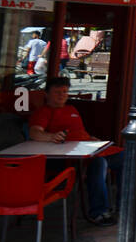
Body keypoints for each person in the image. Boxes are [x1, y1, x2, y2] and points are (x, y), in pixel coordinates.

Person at [28, 76, 121, 226]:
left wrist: (91, 138)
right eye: (57, 92)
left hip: (90, 148)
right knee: (98, 164)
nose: (62, 95)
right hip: (71, 158)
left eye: (65, 91)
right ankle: (99, 212)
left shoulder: (71, 109)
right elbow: (34, 132)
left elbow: (79, 132)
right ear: (47, 94)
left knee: (128, 158)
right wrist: (51, 136)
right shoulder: (44, 112)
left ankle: (124, 204)